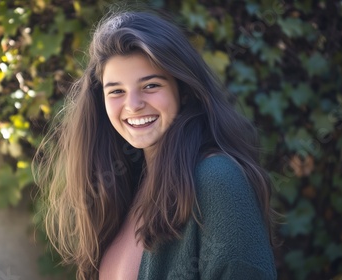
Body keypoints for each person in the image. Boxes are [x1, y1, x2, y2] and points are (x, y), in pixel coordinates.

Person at [34, 8, 278, 280]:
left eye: (150, 86)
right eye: (116, 91)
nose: (133, 105)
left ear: (183, 90)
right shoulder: (127, 187)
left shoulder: (217, 178)